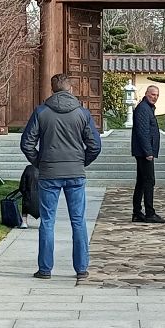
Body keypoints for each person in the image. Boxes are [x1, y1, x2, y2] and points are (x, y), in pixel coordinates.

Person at [20, 73, 102, 279]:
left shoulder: (41, 112)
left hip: (49, 173)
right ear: (71, 89)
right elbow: (94, 145)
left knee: (48, 221)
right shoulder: (82, 113)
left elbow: (27, 143)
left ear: (52, 90)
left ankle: (45, 269)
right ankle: (81, 269)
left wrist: (40, 162)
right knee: (78, 220)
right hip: (75, 172)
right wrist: (82, 162)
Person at [129, 84, 165, 223]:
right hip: (144, 152)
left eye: (157, 95)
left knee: (142, 181)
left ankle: (137, 212)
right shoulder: (143, 109)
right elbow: (143, 132)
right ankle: (149, 213)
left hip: (144, 151)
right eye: (152, 94)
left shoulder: (147, 108)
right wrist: (148, 152)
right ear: (146, 94)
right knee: (149, 181)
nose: (155, 97)